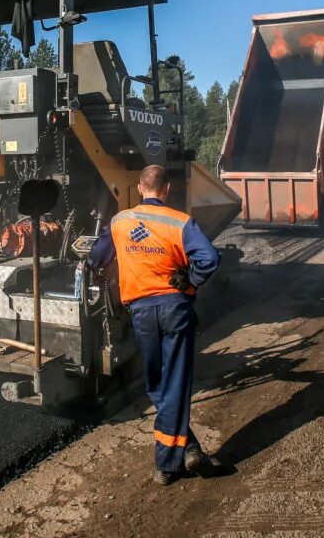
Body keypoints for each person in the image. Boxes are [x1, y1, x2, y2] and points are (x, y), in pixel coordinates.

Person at [88, 165, 222, 485]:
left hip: (142, 312)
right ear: (167, 189)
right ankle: (177, 456)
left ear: (139, 187)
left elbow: (96, 257)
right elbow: (210, 259)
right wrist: (190, 279)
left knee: (156, 384)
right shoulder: (181, 222)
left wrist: (98, 265)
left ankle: (176, 457)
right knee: (172, 383)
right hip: (176, 309)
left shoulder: (120, 222)